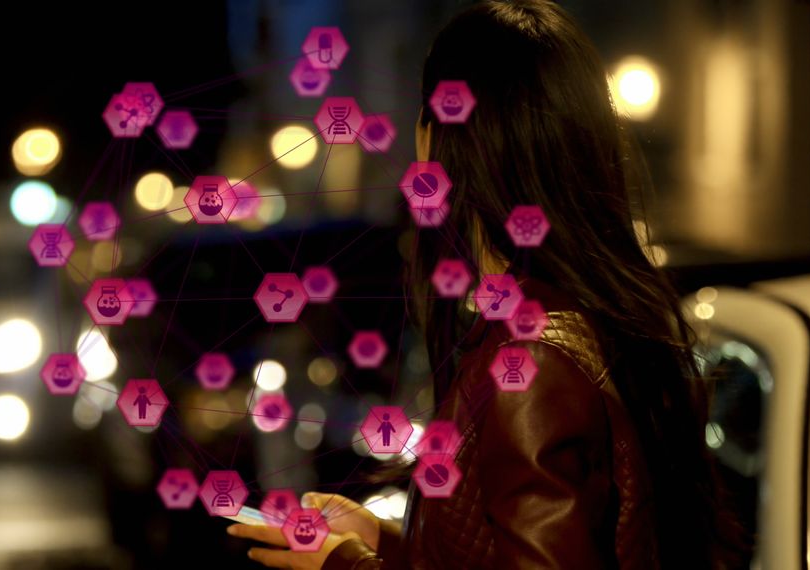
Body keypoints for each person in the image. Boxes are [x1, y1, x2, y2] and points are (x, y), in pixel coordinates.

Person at [227, 1, 742, 568]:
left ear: (437, 141)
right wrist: (390, 544)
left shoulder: (533, 367)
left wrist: (343, 564)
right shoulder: (596, 321)